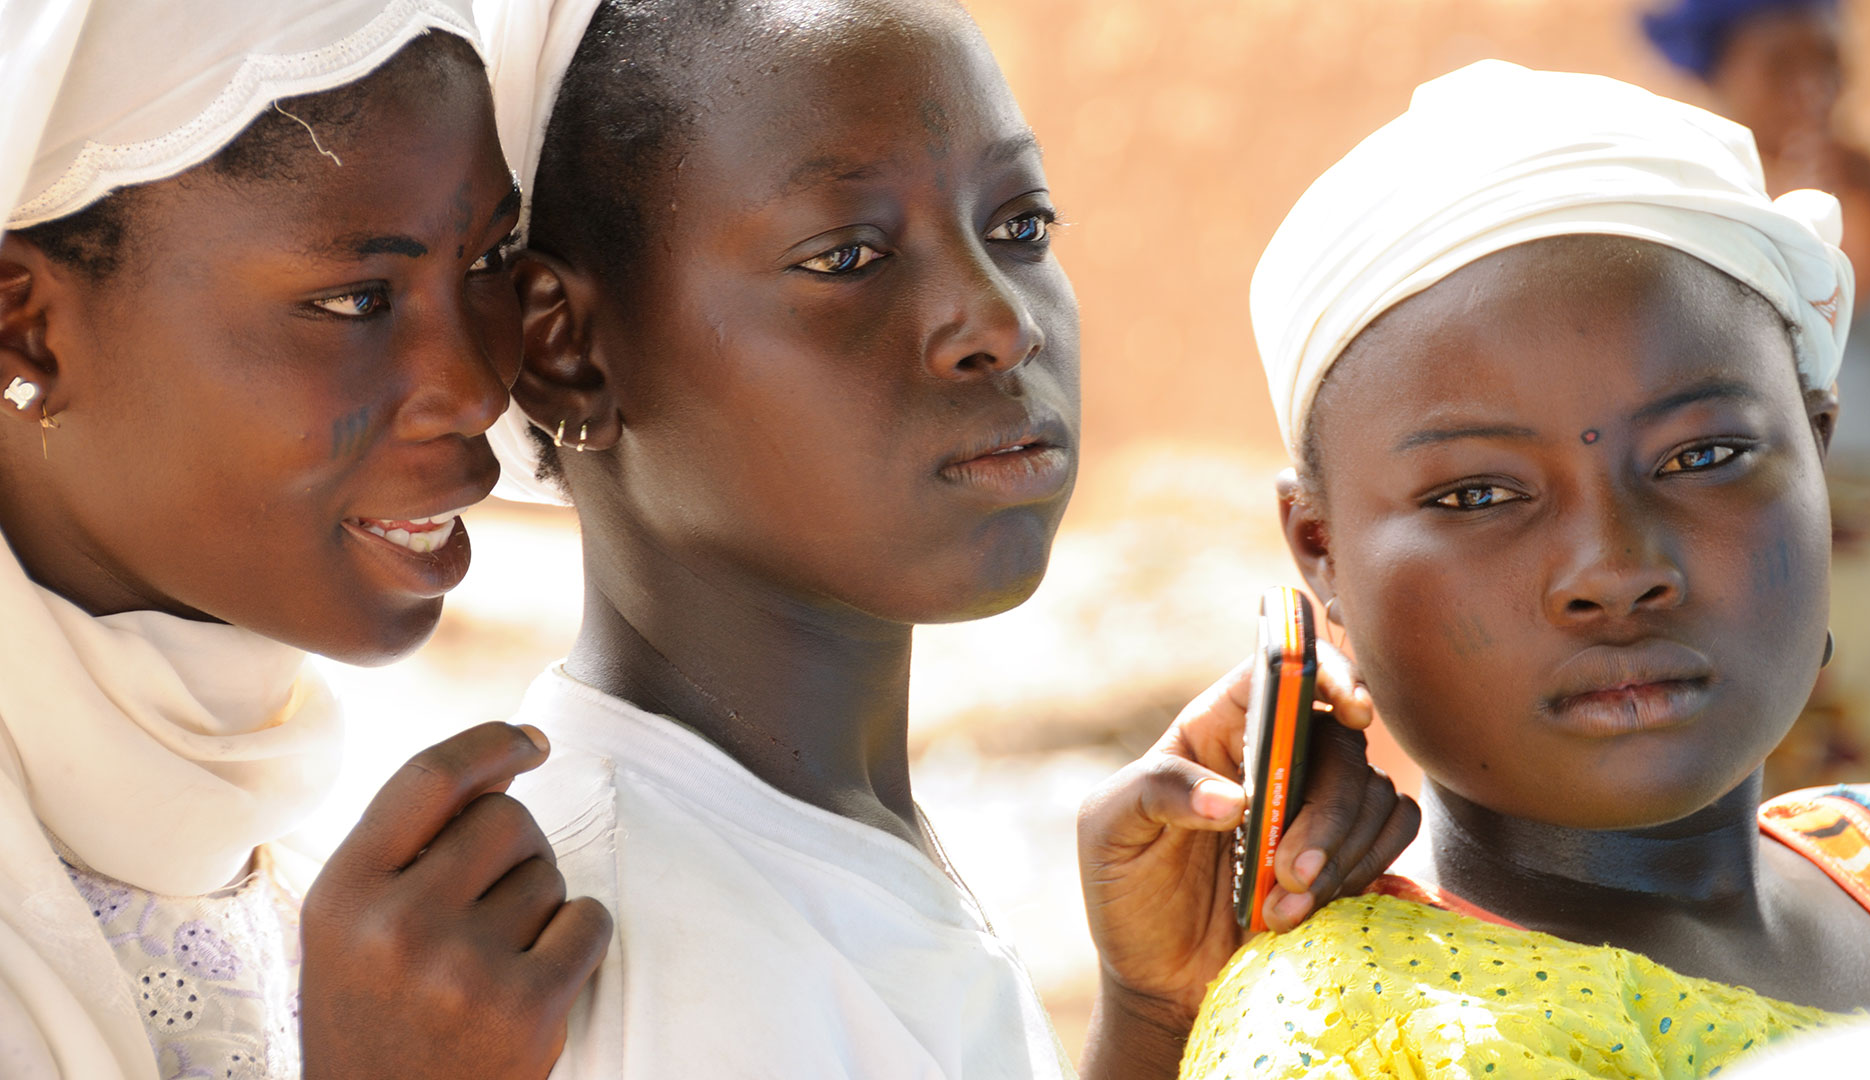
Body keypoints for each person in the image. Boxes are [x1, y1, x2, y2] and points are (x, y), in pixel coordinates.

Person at [475, 0, 1418, 1075]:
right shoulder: (599, 948)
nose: (999, 319)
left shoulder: (783, 832)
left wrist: (1156, 1014)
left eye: (1020, 227)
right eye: (847, 258)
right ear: (569, 354)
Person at [1180, 61, 1870, 1079]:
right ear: (1322, 550)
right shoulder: (1362, 1039)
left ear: (1817, 454)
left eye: (1700, 457)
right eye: (1478, 496)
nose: (1614, 568)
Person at [0, 3, 609, 1077]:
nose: (473, 389)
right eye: (353, 299)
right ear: (26, 329)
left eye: (486, 264)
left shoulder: (325, 845)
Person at [1645, 0, 1870, 792]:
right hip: (1753, 557)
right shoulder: (1697, 209)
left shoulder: (1864, 196)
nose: (1813, 87)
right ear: (1721, 76)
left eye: (1827, 63)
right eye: (1782, 66)